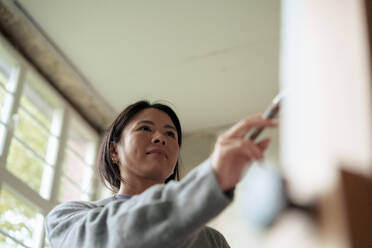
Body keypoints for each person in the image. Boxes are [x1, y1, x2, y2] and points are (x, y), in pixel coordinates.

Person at [45, 100, 277, 248]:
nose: (160, 138)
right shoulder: (67, 219)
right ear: (114, 150)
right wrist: (212, 178)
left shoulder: (212, 241)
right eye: (145, 129)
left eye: (170, 134)